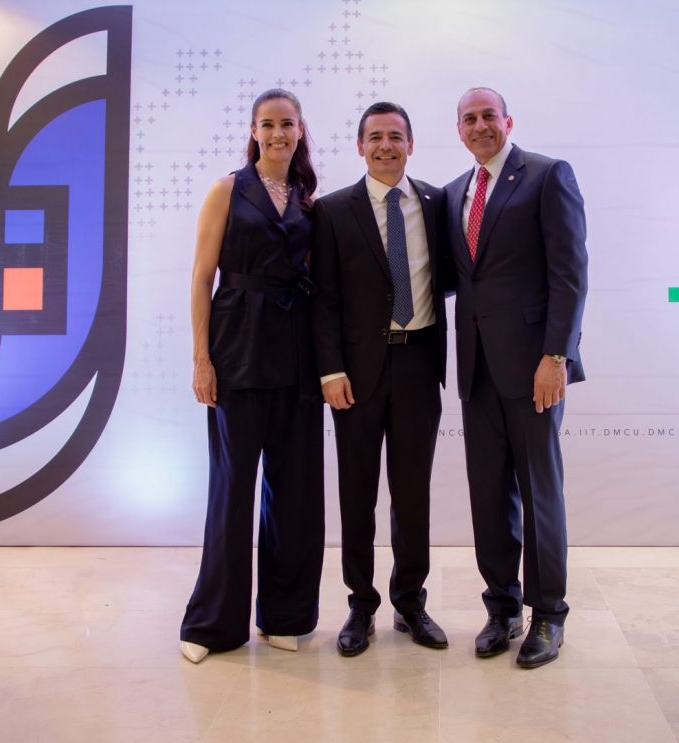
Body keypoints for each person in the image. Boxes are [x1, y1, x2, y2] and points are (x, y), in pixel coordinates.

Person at [444, 87, 587, 669]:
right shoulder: (455, 192)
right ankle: (502, 607)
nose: (479, 126)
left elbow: (570, 274)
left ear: (508, 121)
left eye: (488, 116)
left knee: (539, 493)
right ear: (458, 129)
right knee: (488, 494)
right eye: (469, 119)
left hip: (534, 369)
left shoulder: (547, 176)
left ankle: (548, 614)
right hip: (476, 368)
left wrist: (556, 357)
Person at [180, 89, 324, 664]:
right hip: (236, 349)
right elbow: (201, 276)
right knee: (231, 489)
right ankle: (213, 625)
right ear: (253, 131)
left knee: (294, 490)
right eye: (268, 124)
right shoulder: (227, 189)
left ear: (300, 130)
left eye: (287, 123)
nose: (277, 133)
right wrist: (201, 358)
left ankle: (285, 617)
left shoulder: (310, 200)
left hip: (296, 356)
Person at [311, 102, 450, 657]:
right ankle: (361, 604)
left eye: (395, 136)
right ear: (359, 146)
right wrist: (330, 369)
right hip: (357, 372)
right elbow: (323, 299)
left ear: (411, 144)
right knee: (358, 492)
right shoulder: (332, 211)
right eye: (375, 137)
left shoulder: (437, 204)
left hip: (419, 363)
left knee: (412, 493)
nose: (385, 146)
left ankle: (410, 601)